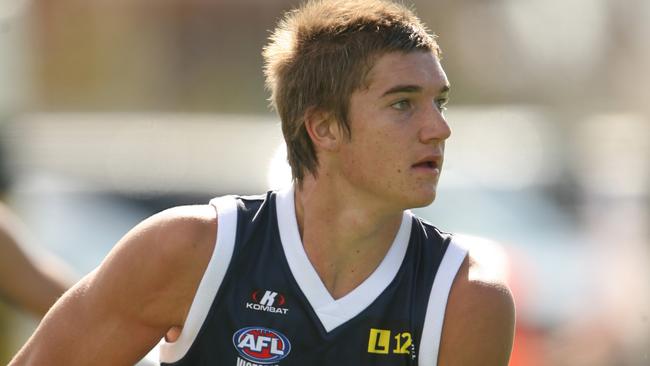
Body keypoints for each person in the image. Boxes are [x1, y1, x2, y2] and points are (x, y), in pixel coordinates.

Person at [10, 0, 515, 364]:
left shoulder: (466, 300)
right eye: (403, 103)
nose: (439, 128)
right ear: (324, 128)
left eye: (439, 102)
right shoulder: (188, 250)